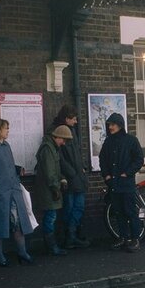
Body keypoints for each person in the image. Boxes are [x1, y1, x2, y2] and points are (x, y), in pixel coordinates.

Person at [0, 119, 34, 266]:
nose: (8, 131)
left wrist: (17, 169)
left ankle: (22, 253)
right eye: (6, 128)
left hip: (13, 190)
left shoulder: (6, 145)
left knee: (17, 222)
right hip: (0, 193)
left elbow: (6, 165)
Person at [99, 113, 144, 252]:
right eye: (109, 125)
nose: (110, 127)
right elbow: (102, 159)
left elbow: (138, 160)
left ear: (120, 125)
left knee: (130, 211)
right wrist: (106, 176)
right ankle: (123, 238)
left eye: (113, 124)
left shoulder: (131, 140)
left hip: (126, 183)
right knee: (118, 212)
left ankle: (135, 239)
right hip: (113, 183)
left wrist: (127, 173)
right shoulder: (108, 142)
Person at [51, 105, 90, 249]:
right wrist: (73, 173)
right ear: (66, 118)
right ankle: (70, 237)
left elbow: (77, 153)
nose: (75, 122)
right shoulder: (59, 132)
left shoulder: (71, 130)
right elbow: (60, 157)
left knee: (76, 207)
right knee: (71, 207)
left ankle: (72, 235)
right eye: (73, 119)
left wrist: (83, 167)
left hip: (77, 176)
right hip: (71, 177)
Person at [34, 125, 74, 256]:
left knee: (51, 216)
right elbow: (50, 171)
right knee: (50, 217)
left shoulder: (52, 148)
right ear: (57, 137)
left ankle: (52, 246)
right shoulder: (48, 149)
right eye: (63, 140)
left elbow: (54, 170)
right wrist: (54, 187)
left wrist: (62, 179)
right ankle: (52, 247)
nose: (64, 143)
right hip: (48, 189)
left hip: (50, 188)